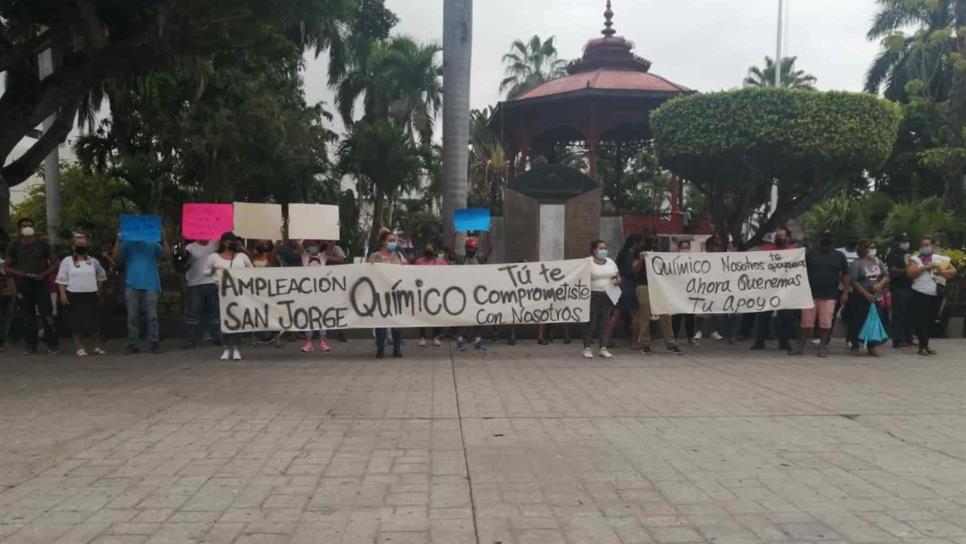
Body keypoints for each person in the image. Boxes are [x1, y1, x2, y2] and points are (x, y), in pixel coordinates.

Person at [790, 230, 850, 357]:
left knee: (826, 323)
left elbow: (845, 275)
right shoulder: (811, 253)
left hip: (830, 295)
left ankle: (822, 347)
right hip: (809, 294)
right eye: (825, 238)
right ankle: (800, 347)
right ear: (820, 239)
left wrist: (845, 292)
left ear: (833, 241)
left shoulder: (839, 256)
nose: (827, 240)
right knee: (806, 323)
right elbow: (800, 271)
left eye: (829, 238)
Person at [4, 218, 60, 355]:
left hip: (41, 284)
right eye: (24, 226)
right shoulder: (14, 245)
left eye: (30, 225)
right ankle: (31, 345)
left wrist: (43, 274)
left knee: (46, 314)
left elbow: (55, 263)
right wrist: (20, 274)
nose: (27, 227)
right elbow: (6, 266)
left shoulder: (43, 245)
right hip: (23, 285)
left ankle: (52, 344)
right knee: (27, 317)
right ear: (20, 229)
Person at [113, 228, 170, 354]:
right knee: (132, 316)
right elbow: (116, 257)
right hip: (132, 283)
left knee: (152, 316)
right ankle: (134, 344)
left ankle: (154, 343)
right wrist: (118, 239)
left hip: (151, 284)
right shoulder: (128, 243)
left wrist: (163, 239)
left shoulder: (153, 243)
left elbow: (166, 255)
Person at [55, 234, 108, 357]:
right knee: (76, 323)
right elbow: (61, 280)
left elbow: (101, 275)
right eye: (79, 245)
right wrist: (63, 295)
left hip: (91, 295)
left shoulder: (93, 261)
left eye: (84, 244)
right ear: (73, 246)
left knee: (94, 322)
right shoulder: (67, 261)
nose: (82, 247)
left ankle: (97, 346)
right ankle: (80, 347)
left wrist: (98, 290)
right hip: (74, 295)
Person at [206, 232, 253, 361]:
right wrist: (213, 271)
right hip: (220, 291)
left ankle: (237, 348)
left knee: (236, 319)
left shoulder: (242, 256)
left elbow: (252, 270)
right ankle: (226, 348)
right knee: (223, 320)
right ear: (223, 242)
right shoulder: (214, 257)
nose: (231, 243)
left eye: (233, 241)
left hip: (238, 292)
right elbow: (205, 271)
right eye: (229, 241)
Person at [907, 237, 957, 356]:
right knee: (922, 319)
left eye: (927, 245)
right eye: (923, 245)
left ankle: (926, 344)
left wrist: (941, 273)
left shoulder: (942, 258)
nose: (925, 247)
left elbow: (953, 272)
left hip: (936, 292)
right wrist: (925, 267)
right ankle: (922, 346)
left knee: (931, 319)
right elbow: (910, 273)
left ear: (934, 246)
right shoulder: (916, 258)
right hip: (920, 292)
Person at [633, 234, 682, 355]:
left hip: (659, 286)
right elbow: (634, 269)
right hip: (644, 285)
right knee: (644, 316)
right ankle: (645, 344)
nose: (656, 241)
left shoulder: (662, 251)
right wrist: (641, 259)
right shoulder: (640, 251)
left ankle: (670, 343)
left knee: (665, 315)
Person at [751, 227, 798, 351]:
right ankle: (759, 341)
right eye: (777, 235)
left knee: (787, 317)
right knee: (763, 316)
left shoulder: (794, 252)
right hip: (768, 289)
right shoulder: (767, 250)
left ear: (788, 237)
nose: (778, 238)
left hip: (787, 290)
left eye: (781, 236)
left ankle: (784, 342)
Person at [846, 241, 890, 356]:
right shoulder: (856, 264)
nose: (873, 250)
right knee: (858, 320)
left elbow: (886, 275)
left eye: (874, 247)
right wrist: (866, 294)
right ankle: (854, 343)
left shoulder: (877, 261)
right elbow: (854, 281)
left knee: (875, 319)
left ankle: (872, 345)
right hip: (860, 296)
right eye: (871, 248)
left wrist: (880, 285)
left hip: (876, 295)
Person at [368, 231, 406, 358]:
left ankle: (397, 349)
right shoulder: (374, 257)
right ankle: (380, 349)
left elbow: (406, 272)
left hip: (396, 294)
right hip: (379, 294)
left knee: (396, 323)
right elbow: (367, 273)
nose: (393, 243)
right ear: (383, 242)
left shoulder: (399, 256)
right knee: (381, 323)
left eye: (394, 240)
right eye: (390, 240)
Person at [582, 240, 619, 359]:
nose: (604, 250)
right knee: (590, 322)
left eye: (605, 248)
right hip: (592, 295)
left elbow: (617, 275)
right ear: (594, 250)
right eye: (601, 248)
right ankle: (587, 347)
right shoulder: (587, 262)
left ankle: (603, 347)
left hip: (608, 295)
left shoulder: (610, 262)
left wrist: (618, 280)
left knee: (604, 322)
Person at [454, 235, 491, 353]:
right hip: (463, 294)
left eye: (472, 248)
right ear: (465, 248)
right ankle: (460, 341)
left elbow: (490, 248)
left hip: (477, 295)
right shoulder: (461, 260)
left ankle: (478, 341)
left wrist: (488, 232)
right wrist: (453, 235)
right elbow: (450, 250)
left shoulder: (480, 260)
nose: (470, 249)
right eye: (468, 247)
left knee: (478, 318)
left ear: (476, 249)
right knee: (462, 318)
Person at [183, 239, 220, 348]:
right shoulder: (190, 247)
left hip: (212, 282)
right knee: (193, 313)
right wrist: (180, 240)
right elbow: (183, 257)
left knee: (215, 312)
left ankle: (217, 337)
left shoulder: (215, 244)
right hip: (195, 283)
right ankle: (191, 339)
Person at [608, 234, 642, 347]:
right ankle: (634, 342)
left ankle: (606, 340)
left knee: (616, 314)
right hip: (629, 286)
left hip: (620, 286)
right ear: (635, 243)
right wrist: (640, 260)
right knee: (635, 315)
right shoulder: (630, 255)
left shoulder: (621, 254)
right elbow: (633, 270)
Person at [299, 240, 332, 353]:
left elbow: (332, 245)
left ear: (318, 246)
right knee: (308, 316)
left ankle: (323, 341)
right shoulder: (304, 256)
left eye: (315, 245)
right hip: (307, 292)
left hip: (321, 292)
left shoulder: (323, 257)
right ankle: (309, 342)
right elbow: (295, 243)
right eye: (310, 245)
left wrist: (330, 237)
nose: (313, 247)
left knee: (322, 316)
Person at [415, 243, 448, 347]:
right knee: (423, 315)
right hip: (423, 293)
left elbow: (448, 275)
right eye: (427, 249)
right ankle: (422, 337)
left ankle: (436, 337)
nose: (429, 251)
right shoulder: (419, 262)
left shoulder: (441, 262)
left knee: (437, 316)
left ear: (435, 251)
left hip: (437, 294)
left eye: (431, 249)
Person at [887, 233, 915, 349]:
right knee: (898, 315)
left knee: (910, 314)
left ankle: (908, 338)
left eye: (907, 241)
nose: (905, 244)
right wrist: (907, 269)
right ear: (897, 242)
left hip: (910, 288)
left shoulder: (909, 255)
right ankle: (898, 340)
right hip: (898, 288)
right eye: (903, 241)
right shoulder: (893, 255)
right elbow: (893, 271)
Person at [671, 240, 699, 346]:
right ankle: (674, 338)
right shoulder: (675, 260)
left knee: (690, 318)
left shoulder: (693, 260)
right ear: (679, 249)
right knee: (677, 318)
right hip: (678, 293)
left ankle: (690, 338)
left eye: (687, 247)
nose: (685, 250)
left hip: (690, 293)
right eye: (683, 248)